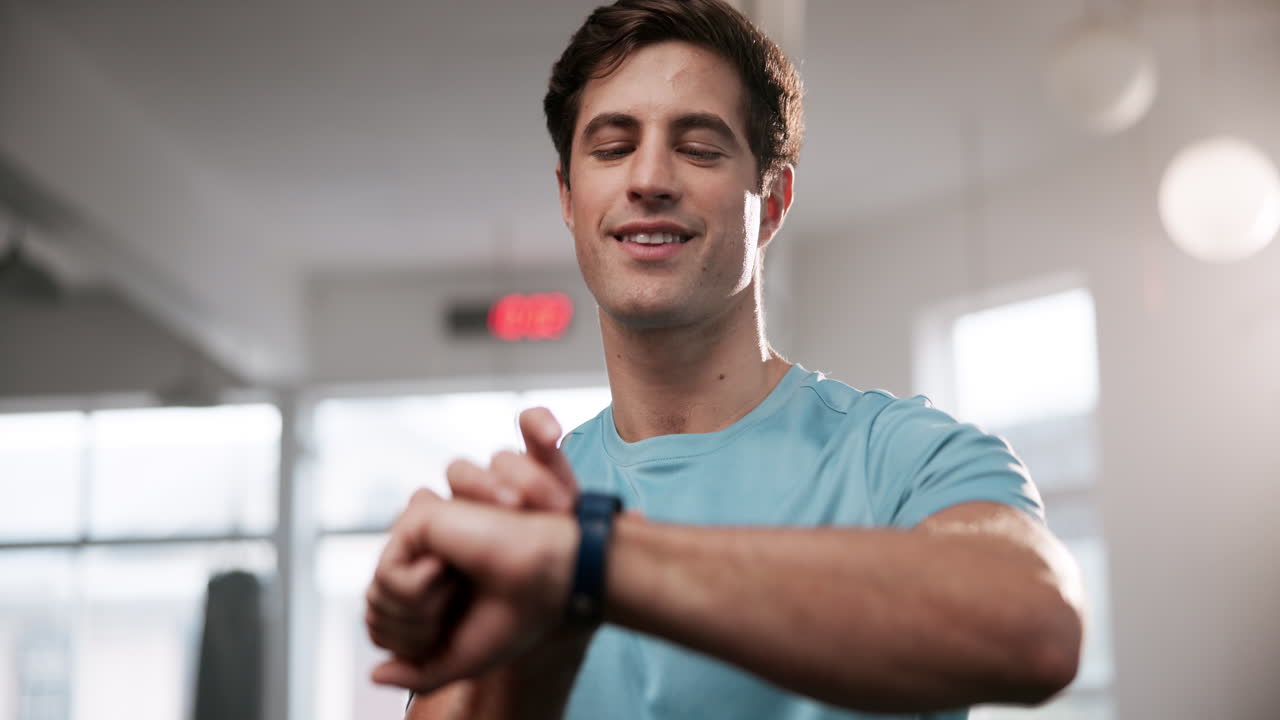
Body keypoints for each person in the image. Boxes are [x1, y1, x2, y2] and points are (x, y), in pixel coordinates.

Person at [363, 1, 1085, 718]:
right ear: (569, 197)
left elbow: (1038, 628)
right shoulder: (531, 518)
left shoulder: (905, 458)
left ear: (770, 202)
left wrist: (588, 564)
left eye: (699, 148)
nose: (648, 178)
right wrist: (545, 633)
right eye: (612, 147)